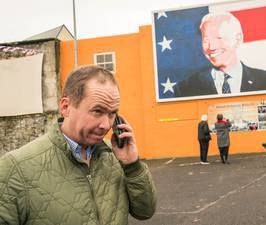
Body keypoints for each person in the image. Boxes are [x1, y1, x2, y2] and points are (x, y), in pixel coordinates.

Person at [0, 66, 157, 224]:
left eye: (112, 113)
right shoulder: (15, 167)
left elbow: (144, 212)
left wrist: (132, 166)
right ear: (66, 107)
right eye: (97, 111)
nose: (105, 125)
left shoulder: (116, 156)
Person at [174, 11, 266, 97]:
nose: (211, 47)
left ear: (238, 39)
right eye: (206, 41)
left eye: (218, 38)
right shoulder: (185, 88)